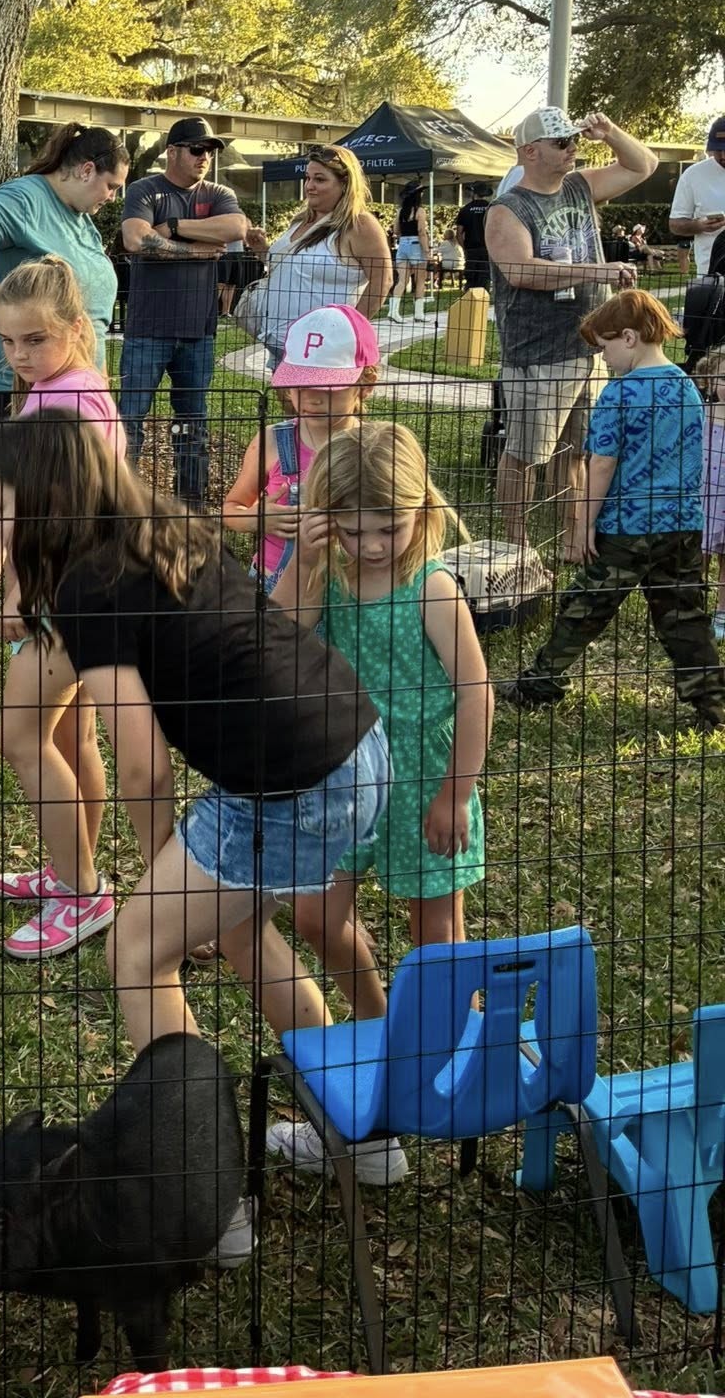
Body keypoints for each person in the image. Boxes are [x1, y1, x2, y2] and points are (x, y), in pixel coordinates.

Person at [0, 410, 389, 1058]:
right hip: (356, 740)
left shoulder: (92, 585)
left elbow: (144, 766)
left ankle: (190, 1146)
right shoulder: (166, 527)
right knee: (243, 932)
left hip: (286, 780)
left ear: (47, 505)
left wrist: (159, 864)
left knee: (137, 950)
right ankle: (358, 1120)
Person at [257, 423, 491, 1183]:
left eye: (387, 527)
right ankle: (382, 1021)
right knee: (318, 915)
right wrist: (307, 554)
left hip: (426, 786)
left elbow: (475, 691)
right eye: (351, 530)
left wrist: (456, 792)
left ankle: (445, 1057)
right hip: (344, 780)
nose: (372, 545)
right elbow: (274, 636)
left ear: (421, 511)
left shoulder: (432, 586)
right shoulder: (325, 577)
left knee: (437, 932)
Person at [0, 122, 128, 680]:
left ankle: (48, 616)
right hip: (1, 377)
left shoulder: (78, 220)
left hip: (65, 381)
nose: (111, 198)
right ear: (84, 169)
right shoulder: (29, 196)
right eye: (112, 186)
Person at [0, 258, 126, 960]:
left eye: (35, 340)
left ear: (75, 328)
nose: (20, 356)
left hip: (67, 599)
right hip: (84, 593)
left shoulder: (68, 405)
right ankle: (75, 869)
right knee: (71, 740)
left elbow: (62, 514)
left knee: (23, 739)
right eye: (9, 343)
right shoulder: (66, 389)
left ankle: (81, 892)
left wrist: (21, 591)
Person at [499, 290, 725, 729]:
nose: (602, 360)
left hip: (627, 527)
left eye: (603, 348)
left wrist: (583, 526)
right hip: (681, 524)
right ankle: (712, 705)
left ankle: (540, 683)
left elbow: (600, 464)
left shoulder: (621, 394)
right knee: (684, 617)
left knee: (584, 606)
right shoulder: (686, 387)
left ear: (629, 337)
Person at [486, 107, 655, 557]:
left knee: (578, 451)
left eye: (573, 141)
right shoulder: (508, 209)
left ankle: (572, 539)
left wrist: (611, 131)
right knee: (525, 454)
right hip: (537, 351)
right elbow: (522, 271)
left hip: (591, 346)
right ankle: (515, 546)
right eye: (561, 143)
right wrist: (597, 270)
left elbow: (644, 165)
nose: (572, 149)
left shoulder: (579, 186)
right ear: (529, 151)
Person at [116, 117, 247, 501]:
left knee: (193, 425)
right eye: (196, 149)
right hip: (146, 330)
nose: (204, 157)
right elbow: (136, 239)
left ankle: (191, 509)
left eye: (209, 151)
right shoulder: (144, 189)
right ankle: (122, 505)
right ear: (172, 152)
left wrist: (172, 226)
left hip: (198, 331)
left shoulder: (218, 193)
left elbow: (236, 228)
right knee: (129, 423)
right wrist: (197, 249)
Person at [222, 304, 380, 593]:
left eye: (325, 388)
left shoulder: (375, 448)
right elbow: (231, 509)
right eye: (299, 385)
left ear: (365, 383)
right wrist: (258, 518)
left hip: (351, 588)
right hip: (274, 584)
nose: (310, 399)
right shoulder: (271, 442)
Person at [247, 145, 391, 368]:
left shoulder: (359, 224)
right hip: (283, 347)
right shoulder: (300, 220)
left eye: (320, 180)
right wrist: (263, 250)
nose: (309, 186)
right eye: (307, 178)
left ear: (344, 184)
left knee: (320, 404)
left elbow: (383, 280)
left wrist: (350, 332)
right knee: (293, 404)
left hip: (324, 350)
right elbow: (293, 270)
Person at [669, 115, 725, 279]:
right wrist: (699, 226)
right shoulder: (693, 175)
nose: (722, 156)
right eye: (716, 149)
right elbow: (675, 224)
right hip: (712, 278)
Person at [696, 347, 725, 642]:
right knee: (696, 557)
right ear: (709, 379)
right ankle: (691, 608)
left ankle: (722, 613)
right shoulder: (701, 413)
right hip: (703, 498)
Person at [386, 179, 433, 323]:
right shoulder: (420, 211)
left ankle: (393, 311)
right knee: (420, 280)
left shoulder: (400, 211)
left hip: (403, 244)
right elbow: (421, 232)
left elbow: (396, 231)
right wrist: (427, 252)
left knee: (402, 280)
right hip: (416, 244)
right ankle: (418, 314)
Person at [453, 180, 495, 293]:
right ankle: (483, 302)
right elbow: (497, 230)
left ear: (473, 193)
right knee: (484, 278)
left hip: (471, 249)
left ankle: (470, 302)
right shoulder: (491, 208)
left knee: (471, 278)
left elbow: (459, 233)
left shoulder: (465, 209)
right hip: (487, 249)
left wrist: (464, 247)